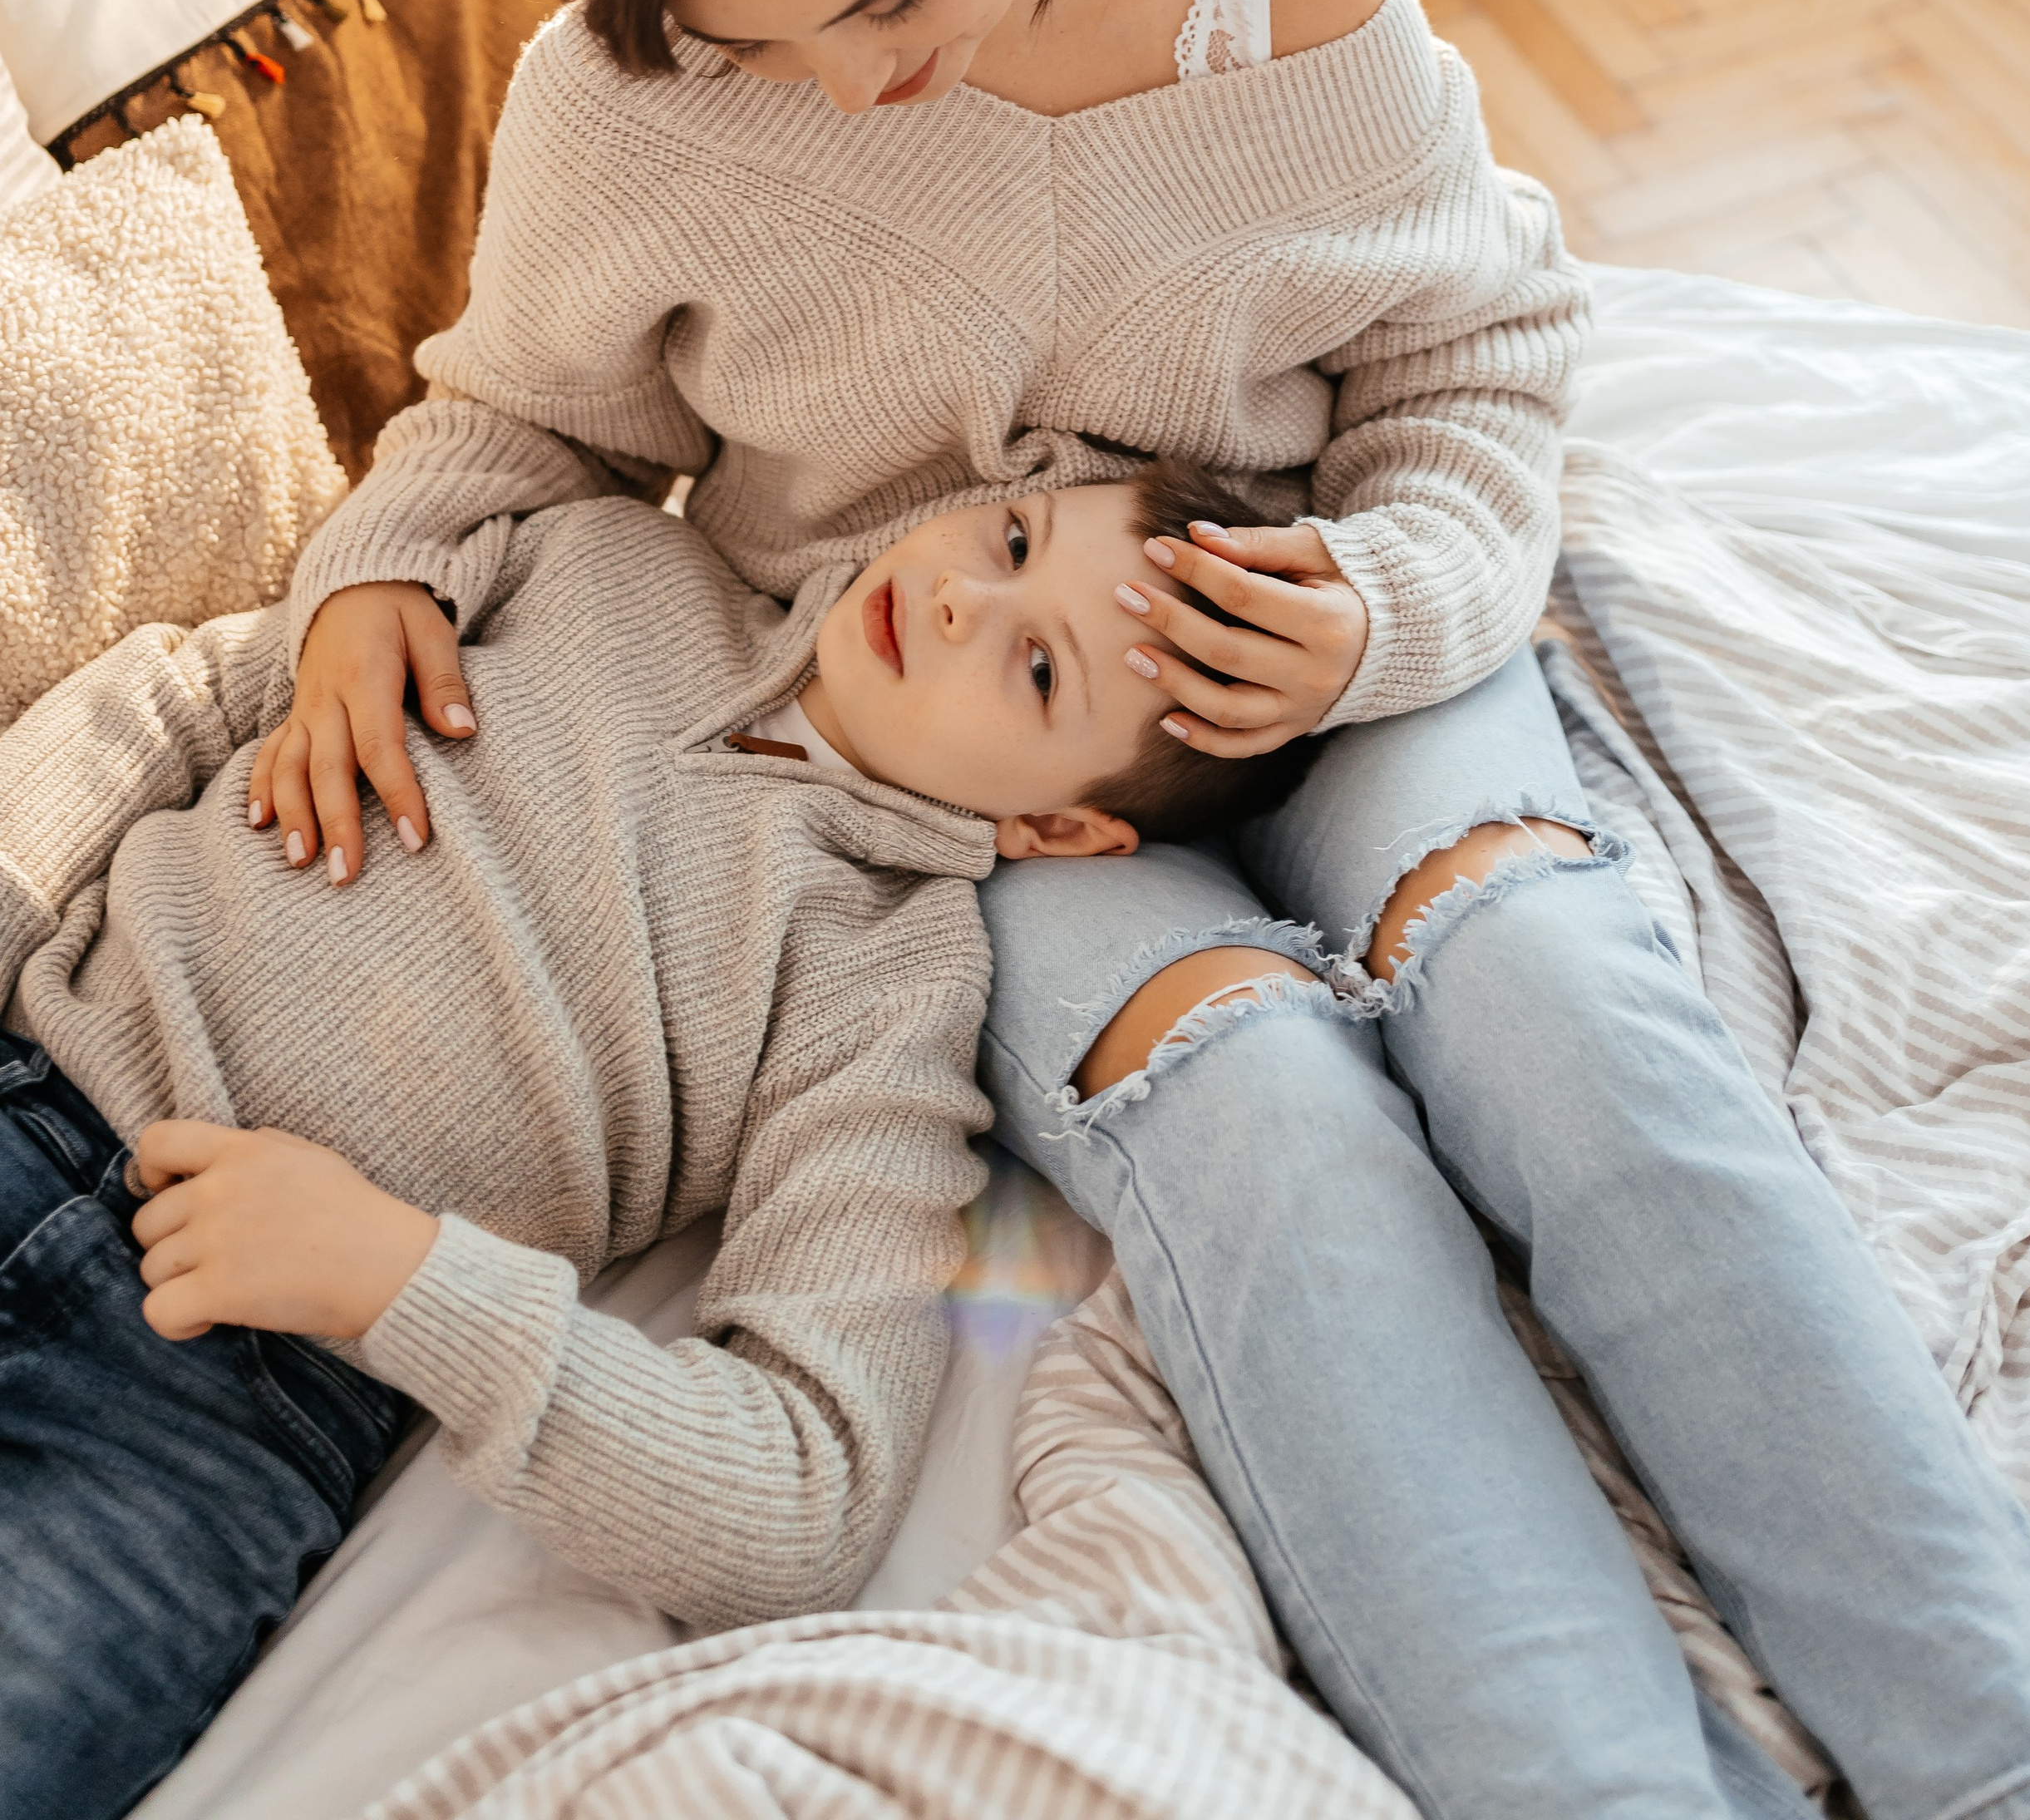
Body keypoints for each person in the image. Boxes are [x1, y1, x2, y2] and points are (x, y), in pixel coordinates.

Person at [265, 0, 2030, 1820]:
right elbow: (528, 412)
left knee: (1539, 990)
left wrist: (1389, 611)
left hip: (1339, 635)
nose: (847, 87)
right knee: (1242, 1107)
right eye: (760, 39)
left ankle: (2029, 1768)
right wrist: (382, 569)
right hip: (978, 758)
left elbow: (1477, 350)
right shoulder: (621, 97)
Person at [0, 456, 1301, 1820]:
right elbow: (186, 698)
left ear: (1061, 826)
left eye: (1041, 669)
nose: (965, 600)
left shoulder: (888, 987)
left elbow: (809, 1492)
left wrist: (406, 1281)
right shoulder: (603, 560)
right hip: (37, 1081)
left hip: (226, 1399)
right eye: (1013, 536)